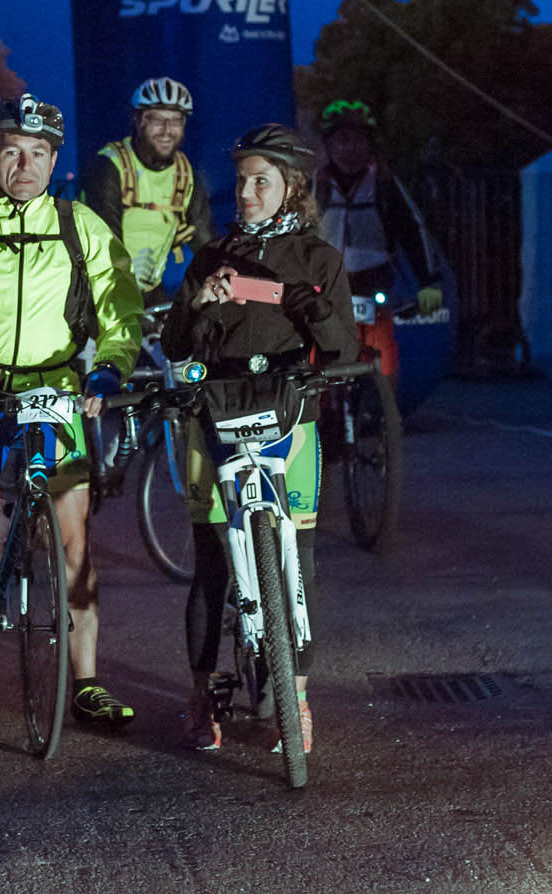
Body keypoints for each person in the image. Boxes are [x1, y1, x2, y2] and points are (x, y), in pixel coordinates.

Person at [0, 94, 144, 728]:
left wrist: (111, 365)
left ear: (53, 160)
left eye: (38, 153)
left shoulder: (81, 225)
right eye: (12, 151)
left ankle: (86, 682)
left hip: (56, 392)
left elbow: (121, 307)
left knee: (73, 543)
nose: (25, 165)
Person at [161, 124, 358, 752]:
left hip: (290, 418)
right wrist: (198, 304)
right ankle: (200, 694)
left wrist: (299, 300)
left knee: (299, 562)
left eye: (261, 182)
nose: (246, 193)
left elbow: (342, 347)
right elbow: (174, 346)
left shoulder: (318, 259)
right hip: (216, 418)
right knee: (212, 565)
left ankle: (295, 699)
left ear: (291, 187)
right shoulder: (212, 256)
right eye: (242, 181)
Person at [312, 99, 442, 382]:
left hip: (372, 284)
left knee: (384, 355)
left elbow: (413, 231)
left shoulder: (384, 185)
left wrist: (428, 282)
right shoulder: (314, 188)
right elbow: (292, 237)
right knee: (315, 359)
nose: (351, 148)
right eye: (343, 140)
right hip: (326, 287)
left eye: (359, 140)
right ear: (329, 146)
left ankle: (387, 405)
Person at [81, 77, 214, 299]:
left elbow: (206, 243)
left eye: (175, 121)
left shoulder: (185, 175)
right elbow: (105, 238)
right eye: (157, 120)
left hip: (149, 290)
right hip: (99, 286)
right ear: (138, 120)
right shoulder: (111, 166)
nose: (167, 130)